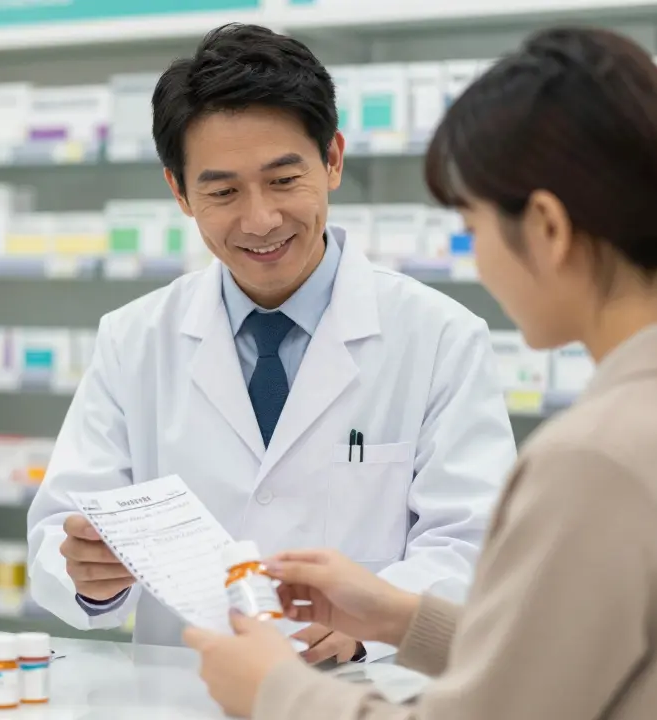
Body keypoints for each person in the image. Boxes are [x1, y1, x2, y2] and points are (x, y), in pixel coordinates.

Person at [182, 25, 657, 720]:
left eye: (473, 223)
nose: (479, 259)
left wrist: (276, 691)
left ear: (546, 227)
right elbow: (593, 663)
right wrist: (403, 616)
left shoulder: (597, 458)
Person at [26, 23, 517, 663]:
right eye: (223, 191)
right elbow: (58, 530)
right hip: (187, 693)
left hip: (364, 696)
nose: (260, 220)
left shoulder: (440, 337)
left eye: (284, 180)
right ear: (179, 191)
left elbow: (473, 546)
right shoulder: (134, 339)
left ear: (333, 159)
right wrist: (85, 575)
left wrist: (371, 623)